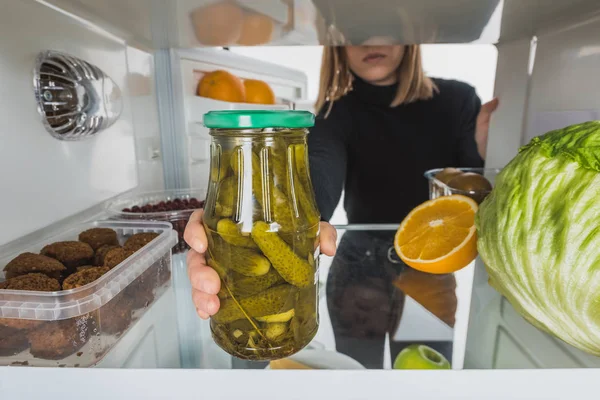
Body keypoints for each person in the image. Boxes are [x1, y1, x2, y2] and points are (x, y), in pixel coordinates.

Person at [184, 41, 498, 368]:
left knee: (426, 380)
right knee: (355, 379)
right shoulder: (336, 111)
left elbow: (470, 189)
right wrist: (232, 220)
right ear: (337, 43)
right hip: (360, 272)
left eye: (385, 24)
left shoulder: (459, 101)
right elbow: (319, 175)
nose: (371, 41)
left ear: (409, 34)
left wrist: (488, 149)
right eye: (357, 29)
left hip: (430, 274)